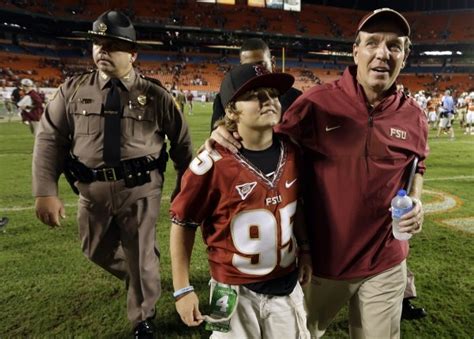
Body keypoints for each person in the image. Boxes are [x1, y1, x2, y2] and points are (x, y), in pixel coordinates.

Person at [206, 8, 429, 338]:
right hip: (322, 262)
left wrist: (415, 199)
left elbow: (417, 166)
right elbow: (265, 143)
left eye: (394, 46)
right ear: (356, 51)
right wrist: (223, 135)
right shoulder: (316, 104)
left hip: (385, 262)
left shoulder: (413, 116)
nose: (383, 53)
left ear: (405, 56)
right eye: (373, 43)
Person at [32, 10, 193, 338]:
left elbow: (182, 144)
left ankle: (142, 318)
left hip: (141, 189)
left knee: (139, 251)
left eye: (112, 45)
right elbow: (49, 137)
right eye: (97, 43)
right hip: (90, 191)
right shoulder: (72, 91)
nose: (102, 50)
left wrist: (184, 185)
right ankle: (144, 275)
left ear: (133, 54)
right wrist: (45, 190)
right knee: (94, 249)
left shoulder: (156, 96)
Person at [170, 63, 312, 338]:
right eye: (255, 95)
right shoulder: (211, 163)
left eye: (272, 94)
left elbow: (297, 208)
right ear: (232, 110)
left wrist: (305, 249)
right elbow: (182, 222)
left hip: (285, 283)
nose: (269, 100)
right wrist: (182, 288)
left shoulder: (293, 152)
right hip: (231, 291)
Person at [210, 38, 302, 131]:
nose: (254, 70)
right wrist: (218, 134)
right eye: (248, 67)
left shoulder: (296, 98)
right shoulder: (226, 99)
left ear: (273, 63)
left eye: (261, 65)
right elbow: (215, 136)